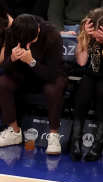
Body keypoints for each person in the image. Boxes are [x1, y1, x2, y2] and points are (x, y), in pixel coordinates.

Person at [0, 15, 66, 155]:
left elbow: (53, 74)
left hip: (47, 77)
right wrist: (12, 59)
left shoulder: (52, 35)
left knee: (55, 86)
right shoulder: (12, 32)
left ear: (38, 29)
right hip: (23, 77)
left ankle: (54, 135)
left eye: (34, 39)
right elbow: (5, 68)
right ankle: (14, 131)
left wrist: (32, 62)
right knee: (3, 82)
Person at [71, 8, 103, 161]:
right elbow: (81, 62)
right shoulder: (87, 36)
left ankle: (98, 143)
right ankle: (75, 140)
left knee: (101, 91)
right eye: (96, 37)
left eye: (101, 38)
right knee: (84, 89)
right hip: (89, 76)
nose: (98, 40)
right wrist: (85, 36)